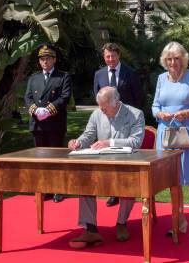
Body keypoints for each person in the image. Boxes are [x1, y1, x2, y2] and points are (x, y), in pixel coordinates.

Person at [67, 87, 145, 249]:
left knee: (128, 185)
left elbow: (136, 141)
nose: (101, 111)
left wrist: (109, 142)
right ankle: (90, 229)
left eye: (104, 107)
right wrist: (78, 142)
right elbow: (89, 134)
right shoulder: (97, 113)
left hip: (126, 164)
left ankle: (121, 223)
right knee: (85, 182)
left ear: (115, 103)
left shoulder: (135, 114)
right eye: (100, 107)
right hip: (100, 163)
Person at [153, 41, 189, 243]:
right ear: (164, 61)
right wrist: (160, 113)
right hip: (166, 133)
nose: (173, 62)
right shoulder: (161, 78)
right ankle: (180, 221)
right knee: (173, 181)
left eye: (176, 58)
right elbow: (155, 105)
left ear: (183, 59)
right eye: (169, 59)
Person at [93, 42, 144, 207]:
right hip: (107, 122)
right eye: (107, 56)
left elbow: (138, 98)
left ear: (118, 55)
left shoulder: (130, 73)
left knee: (123, 159)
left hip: (126, 122)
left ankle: (126, 191)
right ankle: (113, 193)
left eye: (113, 56)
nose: (110, 59)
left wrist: (131, 118)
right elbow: (98, 97)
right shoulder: (99, 74)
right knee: (109, 159)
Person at [25, 44, 72, 203]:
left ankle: (58, 189)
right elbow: (28, 97)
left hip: (55, 123)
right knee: (41, 158)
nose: (45, 61)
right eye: (42, 59)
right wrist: (35, 110)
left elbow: (65, 96)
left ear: (54, 60)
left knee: (57, 157)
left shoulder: (63, 76)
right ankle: (45, 189)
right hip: (38, 123)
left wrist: (49, 110)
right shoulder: (34, 78)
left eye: (48, 58)